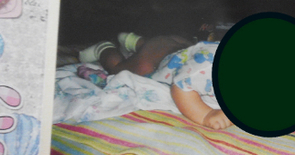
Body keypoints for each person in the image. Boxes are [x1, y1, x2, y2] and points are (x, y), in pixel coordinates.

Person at [78, 32, 233, 130]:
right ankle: (104, 48)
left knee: (172, 45)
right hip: (157, 61)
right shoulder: (208, 69)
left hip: (181, 46)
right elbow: (181, 87)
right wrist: (207, 114)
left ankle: (135, 41)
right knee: (121, 69)